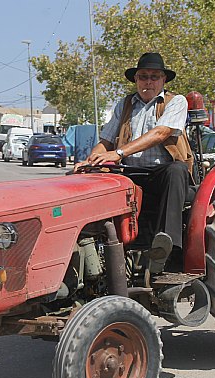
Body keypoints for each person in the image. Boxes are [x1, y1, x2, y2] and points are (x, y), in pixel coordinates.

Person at [76, 52, 193, 273]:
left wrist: (118, 153)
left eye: (154, 77)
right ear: (136, 80)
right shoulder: (126, 104)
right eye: (143, 76)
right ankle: (97, 248)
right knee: (94, 179)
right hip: (129, 172)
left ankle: (166, 249)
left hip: (162, 173)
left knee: (176, 171)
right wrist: (91, 161)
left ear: (163, 80)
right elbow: (106, 141)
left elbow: (161, 133)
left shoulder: (176, 102)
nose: (148, 81)